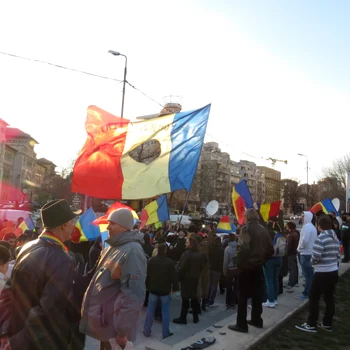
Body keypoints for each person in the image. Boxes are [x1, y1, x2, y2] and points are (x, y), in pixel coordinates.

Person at [0, 199, 80, 350]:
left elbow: (7, 293)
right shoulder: (62, 260)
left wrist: (4, 332)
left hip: (19, 334)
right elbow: (47, 311)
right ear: (63, 225)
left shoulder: (28, 247)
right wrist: (15, 342)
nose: (74, 226)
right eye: (72, 221)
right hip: (40, 342)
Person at [80, 208, 146, 350]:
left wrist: (123, 330)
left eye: (112, 224)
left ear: (124, 226)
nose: (108, 227)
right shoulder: (113, 247)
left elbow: (133, 294)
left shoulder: (133, 251)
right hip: (106, 323)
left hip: (115, 327)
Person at [228, 208, 274, 333]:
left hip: (246, 268)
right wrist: (262, 260)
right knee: (256, 295)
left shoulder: (246, 229)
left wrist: (238, 261)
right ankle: (257, 320)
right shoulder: (263, 229)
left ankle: (241, 324)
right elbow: (271, 250)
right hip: (258, 267)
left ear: (247, 217)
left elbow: (244, 248)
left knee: (242, 296)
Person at [296, 215, 340, 333]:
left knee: (314, 298)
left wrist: (312, 262)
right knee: (329, 298)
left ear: (319, 226)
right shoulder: (334, 237)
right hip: (333, 272)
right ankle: (327, 323)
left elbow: (315, 257)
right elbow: (337, 255)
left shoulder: (320, 238)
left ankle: (311, 324)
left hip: (322, 273)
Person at [143, 243, 176, 339]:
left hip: (153, 290)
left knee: (150, 311)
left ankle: (146, 330)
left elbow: (147, 275)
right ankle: (165, 333)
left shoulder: (151, 261)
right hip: (165, 291)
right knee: (165, 312)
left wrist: (147, 286)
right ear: (165, 251)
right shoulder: (169, 262)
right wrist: (176, 288)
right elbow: (173, 277)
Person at [173, 233, 207, 325]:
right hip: (195, 278)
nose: (185, 243)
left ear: (191, 243)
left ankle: (183, 317)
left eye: (187, 242)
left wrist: (178, 277)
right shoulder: (200, 254)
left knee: (185, 298)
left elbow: (181, 268)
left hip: (186, 279)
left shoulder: (187, 254)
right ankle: (195, 317)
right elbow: (203, 266)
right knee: (194, 297)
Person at [295, 211, 317, 300]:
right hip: (309, 252)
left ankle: (307, 292)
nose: (302, 218)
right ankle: (311, 290)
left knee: (307, 274)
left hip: (305, 253)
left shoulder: (307, 227)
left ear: (307, 217)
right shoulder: (312, 227)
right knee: (309, 273)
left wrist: (299, 249)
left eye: (303, 216)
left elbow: (304, 241)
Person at [207, 236, 224, 307]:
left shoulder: (211, 249)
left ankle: (207, 298)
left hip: (211, 268)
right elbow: (222, 260)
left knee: (210, 284)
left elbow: (208, 258)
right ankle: (211, 300)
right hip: (217, 269)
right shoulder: (221, 250)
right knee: (214, 285)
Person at [223, 233, 238, 308]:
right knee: (236, 286)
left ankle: (228, 302)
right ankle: (234, 301)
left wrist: (224, 270)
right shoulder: (238, 247)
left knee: (229, 286)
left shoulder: (228, 248)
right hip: (237, 268)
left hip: (230, 269)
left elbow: (225, 261)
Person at [285, 221, 300, 289]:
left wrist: (286, 253)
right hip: (295, 252)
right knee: (295, 267)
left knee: (292, 268)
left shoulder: (291, 235)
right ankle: (295, 281)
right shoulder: (296, 233)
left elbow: (289, 245)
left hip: (291, 253)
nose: (286, 227)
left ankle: (291, 283)